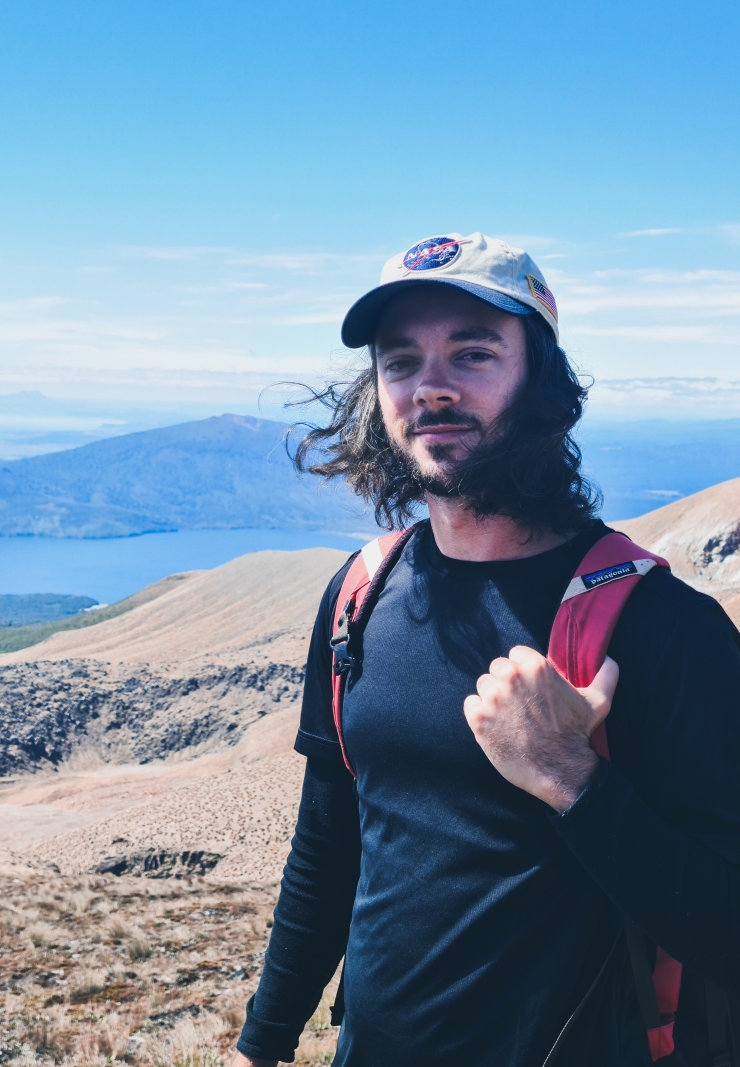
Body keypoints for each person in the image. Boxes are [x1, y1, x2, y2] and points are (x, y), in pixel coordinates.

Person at [232, 233, 740, 1066]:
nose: (431, 386)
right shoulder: (361, 594)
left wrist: (574, 779)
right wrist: (263, 1041)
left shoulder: (661, 627)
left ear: (539, 377)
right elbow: (328, 844)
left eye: (472, 353)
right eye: (401, 363)